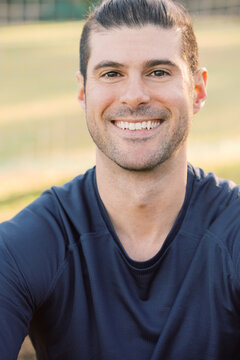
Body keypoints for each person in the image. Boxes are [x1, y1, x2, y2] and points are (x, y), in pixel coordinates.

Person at [0, 0, 240, 358]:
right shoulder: (27, 244)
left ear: (197, 90)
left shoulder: (232, 231)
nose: (134, 96)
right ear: (83, 92)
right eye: (111, 73)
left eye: (158, 72)